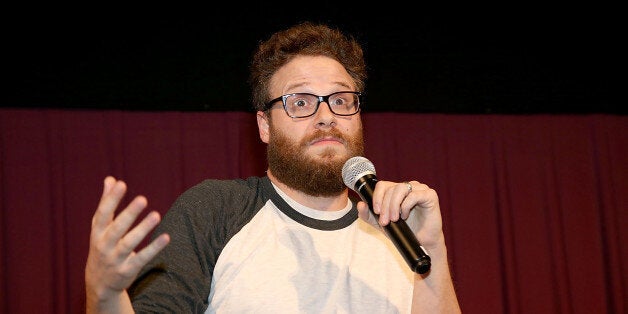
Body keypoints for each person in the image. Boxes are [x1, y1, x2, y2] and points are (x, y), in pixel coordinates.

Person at [85, 21, 461, 313]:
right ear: (265, 126)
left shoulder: (399, 232)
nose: (327, 116)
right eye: (300, 102)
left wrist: (433, 249)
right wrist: (103, 296)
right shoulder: (215, 210)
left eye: (341, 100)